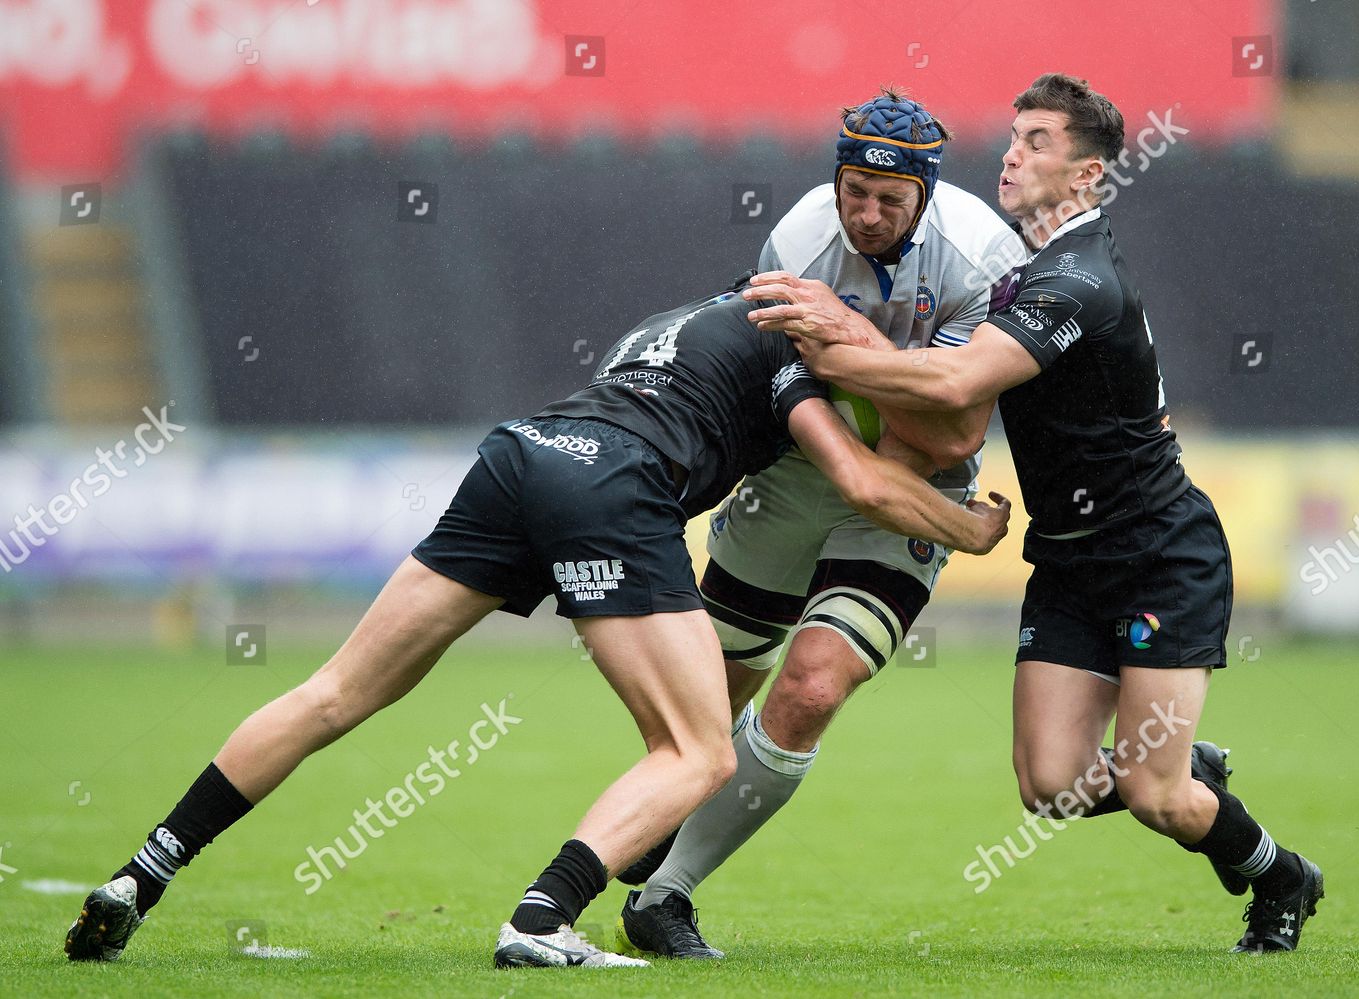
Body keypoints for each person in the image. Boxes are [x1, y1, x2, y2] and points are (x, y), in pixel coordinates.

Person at [63, 279, 1012, 969]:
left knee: (334, 691)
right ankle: (544, 916)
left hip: (520, 455)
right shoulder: (787, 351)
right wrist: (968, 526)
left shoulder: (673, 320)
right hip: (608, 482)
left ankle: (138, 877)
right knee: (699, 753)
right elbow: (855, 478)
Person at [746, 74, 1323, 954]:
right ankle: (1167, 770)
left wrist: (827, 337)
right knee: (1049, 784)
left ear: (1088, 177)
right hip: (1067, 560)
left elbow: (951, 385)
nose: (1014, 154)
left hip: (1158, 554)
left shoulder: (1077, 279)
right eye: (1015, 136)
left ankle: (1279, 873)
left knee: (1160, 799)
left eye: (1041, 142)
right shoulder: (1025, 266)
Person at [617, 88, 1027, 959]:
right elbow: (786, 382)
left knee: (808, 689)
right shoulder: (797, 238)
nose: (867, 215)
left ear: (926, 194)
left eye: (891, 200)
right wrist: (886, 379)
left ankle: (666, 896)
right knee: (704, 697)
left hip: (917, 487)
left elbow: (952, 429)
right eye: (854, 193)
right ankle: (651, 823)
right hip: (795, 473)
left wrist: (844, 337)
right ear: (834, 180)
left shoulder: (985, 256)